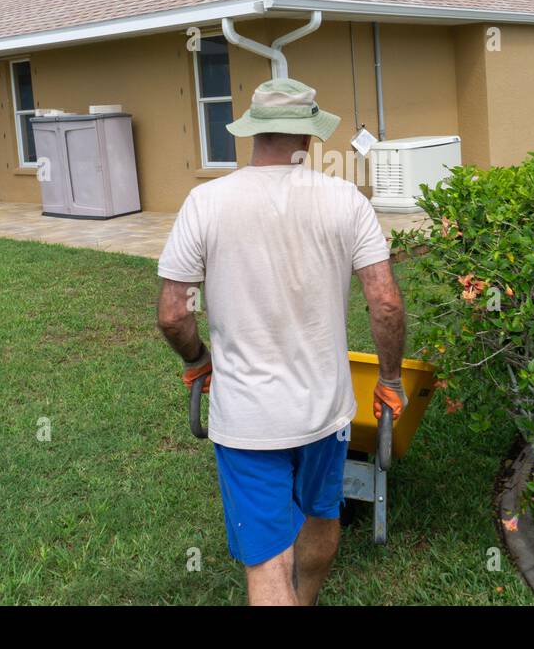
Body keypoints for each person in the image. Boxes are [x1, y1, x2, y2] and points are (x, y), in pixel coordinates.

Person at [156, 77, 406, 605]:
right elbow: (385, 303)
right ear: (310, 138)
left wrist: (199, 360)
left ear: (251, 133)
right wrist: (388, 380)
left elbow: (174, 313)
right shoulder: (346, 200)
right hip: (326, 410)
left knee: (268, 558)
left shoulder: (206, 201)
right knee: (321, 515)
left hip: (247, 418)